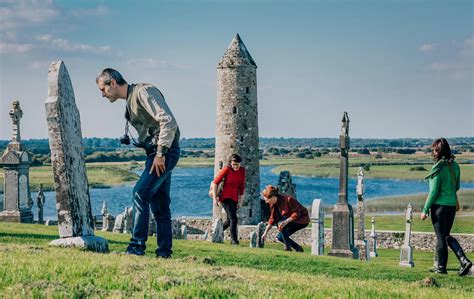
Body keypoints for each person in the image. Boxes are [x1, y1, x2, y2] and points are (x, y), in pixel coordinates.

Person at [96, 68, 180, 258]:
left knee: (140, 194)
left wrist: (160, 153)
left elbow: (168, 121)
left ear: (113, 83)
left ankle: (136, 247)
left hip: (163, 152)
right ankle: (164, 253)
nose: (102, 94)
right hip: (157, 153)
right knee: (160, 206)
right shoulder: (130, 100)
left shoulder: (143, 92)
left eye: (103, 89)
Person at [421, 138, 472, 276]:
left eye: (434, 149)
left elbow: (433, 192)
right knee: (446, 236)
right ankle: (463, 260)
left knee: (441, 238)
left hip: (439, 207)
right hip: (451, 206)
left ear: (439, 151)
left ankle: (441, 268)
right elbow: (457, 186)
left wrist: (425, 210)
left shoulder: (438, 168)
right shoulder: (455, 166)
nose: (432, 152)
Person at [261, 185, 309, 252]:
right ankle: (298, 248)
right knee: (280, 237)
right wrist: (265, 233)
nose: (266, 202)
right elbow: (272, 219)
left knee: (281, 224)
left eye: (267, 200)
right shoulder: (272, 204)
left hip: (302, 220)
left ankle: (287, 248)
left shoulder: (289, 199)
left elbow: (297, 213)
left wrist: (285, 222)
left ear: (273, 197)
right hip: (288, 221)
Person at [212, 154, 245, 245]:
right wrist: (215, 198)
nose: (235, 166)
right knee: (234, 219)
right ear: (230, 163)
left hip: (234, 198)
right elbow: (215, 183)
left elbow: (241, 186)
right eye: (233, 164)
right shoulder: (226, 169)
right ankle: (234, 241)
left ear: (240, 163)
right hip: (225, 197)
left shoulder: (242, 171)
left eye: (237, 164)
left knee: (229, 220)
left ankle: (216, 232)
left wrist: (240, 201)